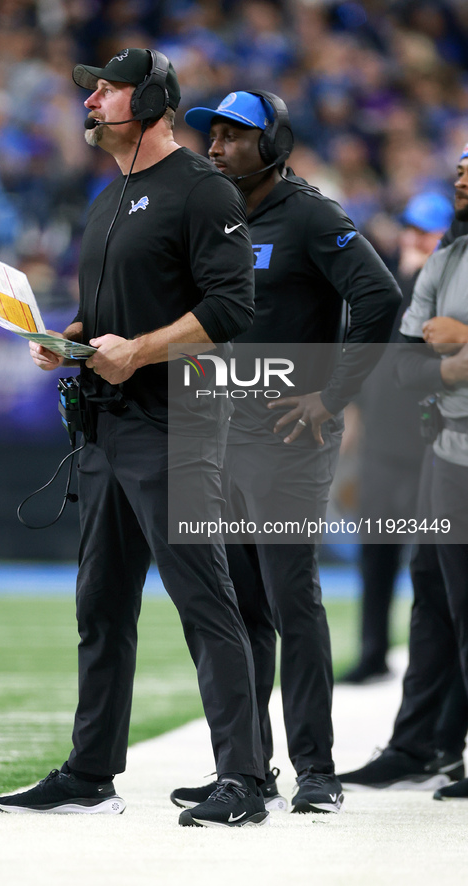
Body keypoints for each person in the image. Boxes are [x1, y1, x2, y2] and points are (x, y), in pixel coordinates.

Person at [0, 48, 270, 829]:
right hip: (109, 430)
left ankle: (243, 780)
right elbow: (107, 318)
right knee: (101, 607)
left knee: (204, 604)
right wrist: (70, 341)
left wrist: (140, 350)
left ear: (150, 102)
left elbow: (231, 308)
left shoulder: (200, 189)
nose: (93, 102)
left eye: (108, 90)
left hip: (176, 426)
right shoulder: (106, 198)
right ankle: (90, 772)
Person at [172, 90, 400, 815]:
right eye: (210, 134)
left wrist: (331, 397)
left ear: (274, 143)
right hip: (221, 430)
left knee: (288, 596)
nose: (214, 146)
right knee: (239, 608)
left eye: (234, 136)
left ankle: (317, 771)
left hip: (287, 437)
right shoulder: (218, 215)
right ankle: (246, 769)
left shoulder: (310, 215)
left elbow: (380, 298)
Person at [338, 147, 468, 797]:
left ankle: (442, 739)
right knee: (429, 591)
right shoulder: (426, 275)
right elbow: (399, 369)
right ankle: (423, 742)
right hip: (427, 448)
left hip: (441, 446)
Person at [340, 192, 454, 685]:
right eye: (411, 230)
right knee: (377, 553)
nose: (415, 240)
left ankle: (441, 664)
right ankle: (372, 651)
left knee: (440, 565)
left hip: (438, 445)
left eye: (427, 234)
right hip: (385, 442)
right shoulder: (390, 288)